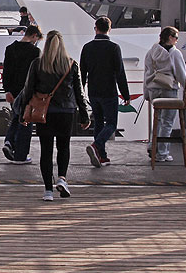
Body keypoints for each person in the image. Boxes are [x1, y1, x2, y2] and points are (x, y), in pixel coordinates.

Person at [21, 30, 89, 201]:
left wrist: (23, 113)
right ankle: (62, 179)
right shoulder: (71, 64)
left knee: (46, 150)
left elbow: (28, 90)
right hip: (66, 112)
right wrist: (84, 115)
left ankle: (48, 191)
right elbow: (79, 92)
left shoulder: (37, 64)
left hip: (45, 113)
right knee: (64, 147)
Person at [80, 16, 131, 168]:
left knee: (98, 123)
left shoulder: (87, 47)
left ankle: (101, 156)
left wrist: (81, 91)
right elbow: (120, 73)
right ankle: (97, 146)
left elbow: (82, 72)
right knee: (111, 124)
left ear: (95, 28)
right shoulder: (114, 48)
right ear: (109, 29)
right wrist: (125, 94)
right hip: (109, 90)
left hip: (93, 91)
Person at [144, 26, 186, 162]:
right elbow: (181, 74)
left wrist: (146, 92)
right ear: (170, 38)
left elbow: (146, 72)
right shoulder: (175, 53)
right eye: (176, 38)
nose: (177, 41)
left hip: (154, 89)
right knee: (167, 122)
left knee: (157, 119)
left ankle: (152, 146)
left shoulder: (151, 52)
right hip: (169, 89)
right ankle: (162, 153)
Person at [2, 25, 43, 164]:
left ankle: (9, 142)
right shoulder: (35, 51)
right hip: (27, 92)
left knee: (16, 117)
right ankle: (20, 155)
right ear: (34, 36)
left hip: (13, 92)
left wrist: (7, 90)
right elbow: (37, 75)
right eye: (37, 38)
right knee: (26, 121)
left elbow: (6, 71)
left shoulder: (10, 49)